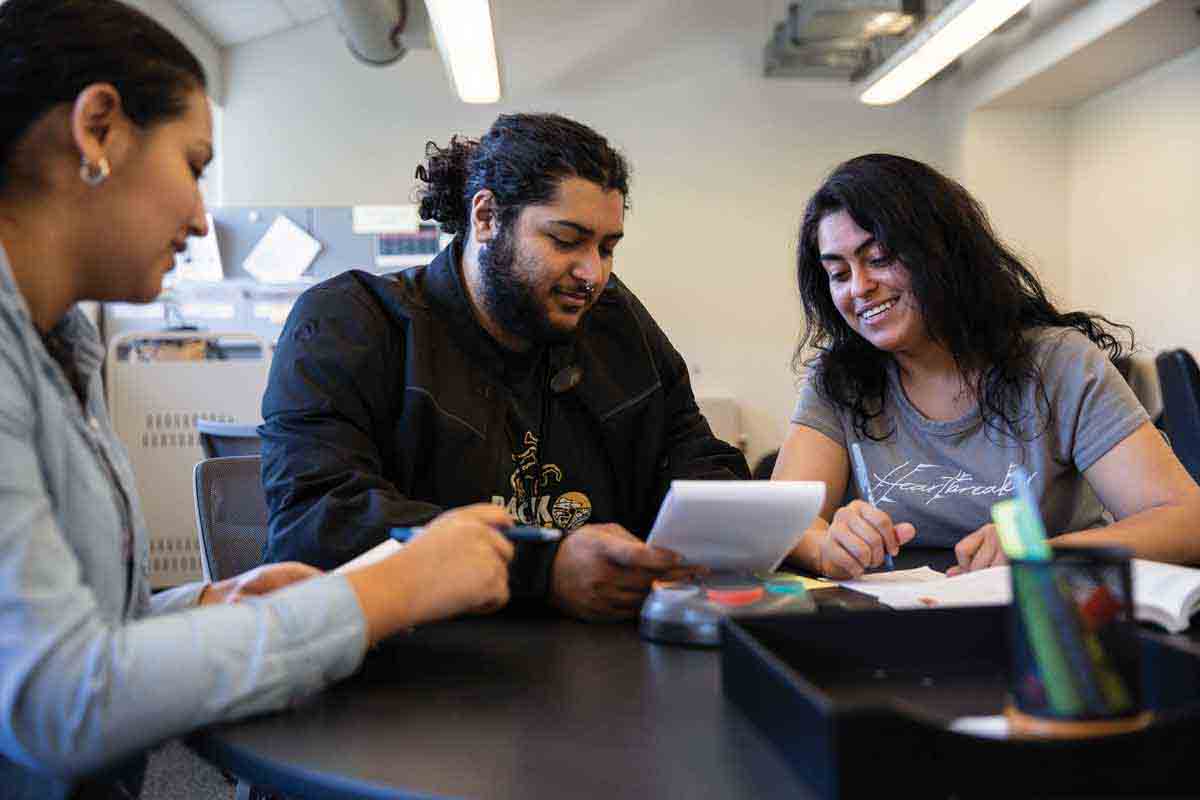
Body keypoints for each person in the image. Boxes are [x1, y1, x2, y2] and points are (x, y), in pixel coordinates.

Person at [0, 3, 516, 797]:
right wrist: (389, 588)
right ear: (97, 129)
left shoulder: (57, 343)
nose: (202, 218)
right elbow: (52, 701)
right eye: (195, 164)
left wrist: (209, 605)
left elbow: (71, 635)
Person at [260, 112, 749, 620]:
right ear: (487, 217)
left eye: (607, 248)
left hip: (595, 660)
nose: (593, 274)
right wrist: (542, 568)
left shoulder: (613, 320)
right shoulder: (353, 322)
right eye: (566, 240)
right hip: (419, 658)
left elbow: (692, 453)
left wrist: (732, 529)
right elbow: (318, 520)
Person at [773, 154, 1200, 579]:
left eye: (880, 258)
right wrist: (826, 548)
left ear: (941, 253)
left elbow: (1185, 520)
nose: (859, 288)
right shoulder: (839, 379)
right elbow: (782, 523)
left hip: (1040, 618)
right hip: (891, 623)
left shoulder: (1061, 365)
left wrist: (1038, 553)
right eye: (838, 273)